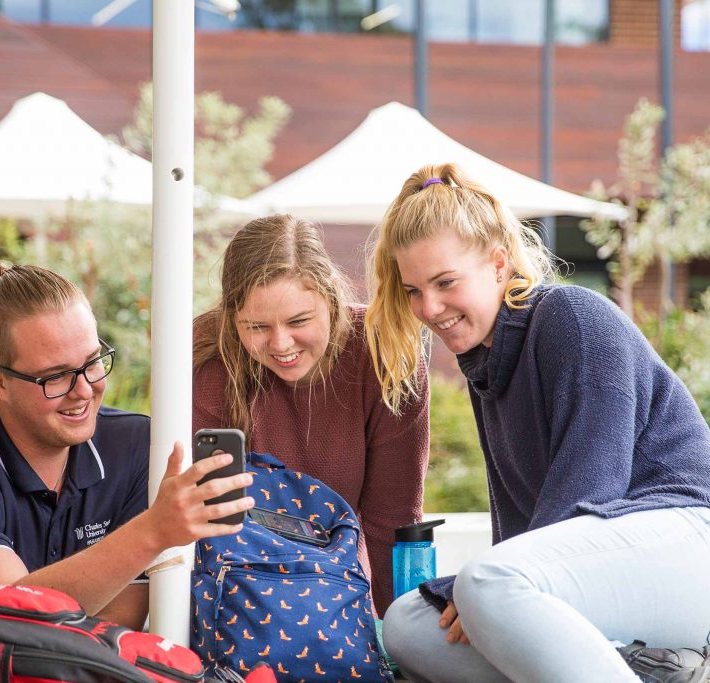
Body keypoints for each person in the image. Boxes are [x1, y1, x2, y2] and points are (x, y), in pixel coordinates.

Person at [368, 163, 710, 682]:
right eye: (413, 290)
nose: (430, 308)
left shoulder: (571, 317)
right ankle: (643, 669)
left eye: (445, 282)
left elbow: (590, 488)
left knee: (483, 583)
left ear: (499, 262)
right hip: (596, 566)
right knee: (409, 624)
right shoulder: (489, 365)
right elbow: (521, 529)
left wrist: (483, 592)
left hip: (684, 545)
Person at [0, 255, 254, 672]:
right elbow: (10, 619)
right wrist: (151, 533)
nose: (85, 390)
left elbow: (118, 622)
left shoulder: (137, 447)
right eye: (55, 376)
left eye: (93, 361)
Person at [192, 214, 430, 614]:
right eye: (256, 327)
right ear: (232, 318)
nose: (281, 343)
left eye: (299, 321)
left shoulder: (386, 354)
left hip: (338, 595)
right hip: (234, 596)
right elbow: (197, 517)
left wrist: (402, 638)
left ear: (332, 295)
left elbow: (393, 519)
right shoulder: (205, 354)